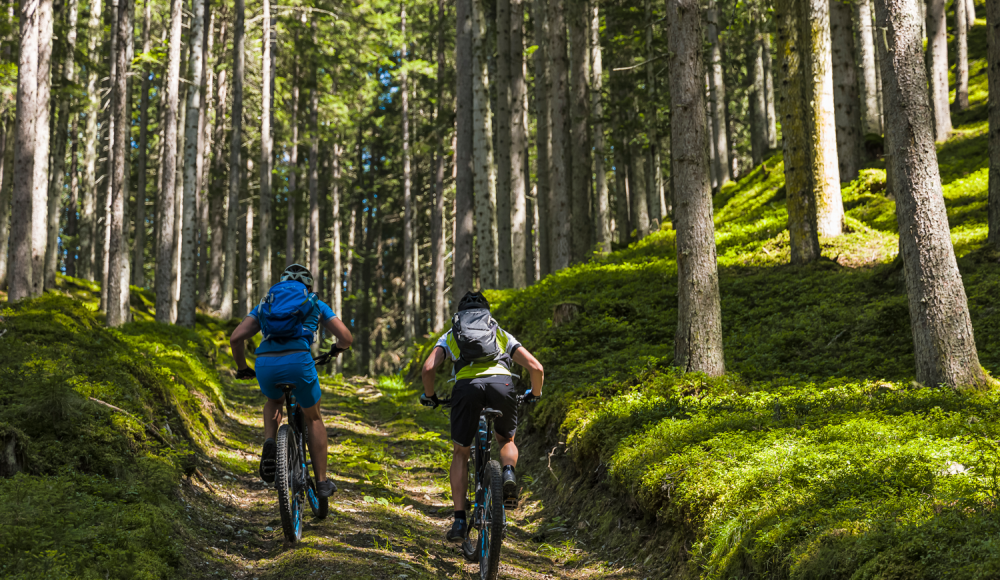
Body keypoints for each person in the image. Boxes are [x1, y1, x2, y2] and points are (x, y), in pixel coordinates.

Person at [420, 291, 544, 543]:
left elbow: (429, 367)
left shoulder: (452, 334)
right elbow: (536, 367)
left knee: (461, 452)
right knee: (506, 440)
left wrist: (431, 396)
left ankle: (458, 520)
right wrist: (534, 393)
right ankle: (507, 472)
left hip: (467, 389)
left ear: (460, 313)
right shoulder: (497, 331)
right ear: (486, 311)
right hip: (502, 385)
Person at [229, 264, 352, 498]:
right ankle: (323, 482)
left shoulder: (265, 304)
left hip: (265, 363)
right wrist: (336, 349)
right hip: (298, 361)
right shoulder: (315, 303)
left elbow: (236, 338)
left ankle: (269, 442)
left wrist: (243, 367)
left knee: (274, 401)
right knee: (313, 417)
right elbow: (346, 337)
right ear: (308, 286)